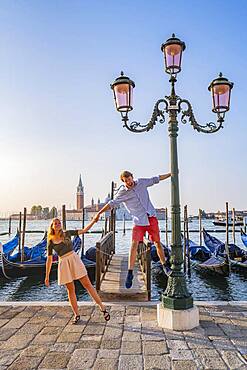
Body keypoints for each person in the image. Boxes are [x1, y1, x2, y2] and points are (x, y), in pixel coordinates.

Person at [94, 171, 171, 289]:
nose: (129, 182)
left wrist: (171, 174)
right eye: (126, 181)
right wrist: (99, 213)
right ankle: (130, 273)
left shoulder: (141, 182)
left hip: (151, 217)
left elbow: (156, 179)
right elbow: (111, 203)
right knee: (134, 244)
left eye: (129, 179)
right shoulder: (122, 192)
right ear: (123, 182)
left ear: (132, 177)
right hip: (138, 221)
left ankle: (165, 265)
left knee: (157, 243)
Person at [45, 218, 110, 324]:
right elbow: (49, 259)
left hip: (74, 259)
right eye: (55, 224)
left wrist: (93, 221)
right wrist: (47, 276)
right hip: (64, 263)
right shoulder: (50, 241)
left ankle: (102, 308)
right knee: (71, 290)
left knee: (88, 285)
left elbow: (84, 230)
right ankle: (76, 315)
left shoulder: (67, 233)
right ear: (52, 226)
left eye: (59, 223)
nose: (57, 225)